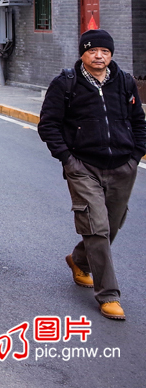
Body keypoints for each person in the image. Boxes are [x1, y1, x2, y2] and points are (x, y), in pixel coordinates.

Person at [37, 29, 146, 321]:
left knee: (112, 224)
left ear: (111, 54)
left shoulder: (123, 82)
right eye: (93, 51)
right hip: (83, 166)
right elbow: (48, 125)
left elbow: (139, 121)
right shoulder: (66, 84)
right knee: (96, 227)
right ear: (82, 53)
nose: (99, 56)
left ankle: (80, 259)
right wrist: (69, 161)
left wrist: (135, 157)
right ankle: (108, 295)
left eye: (105, 52)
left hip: (123, 166)